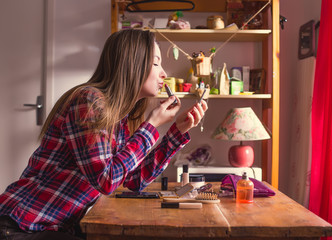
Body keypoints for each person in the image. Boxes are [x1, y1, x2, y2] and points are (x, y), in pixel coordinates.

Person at [0, 29, 208, 240]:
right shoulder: (89, 101)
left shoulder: (118, 118)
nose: (164, 73)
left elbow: (134, 181)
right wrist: (152, 125)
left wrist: (176, 132)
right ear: (131, 64)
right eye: (156, 63)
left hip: (53, 227)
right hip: (22, 225)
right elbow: (106, 180)